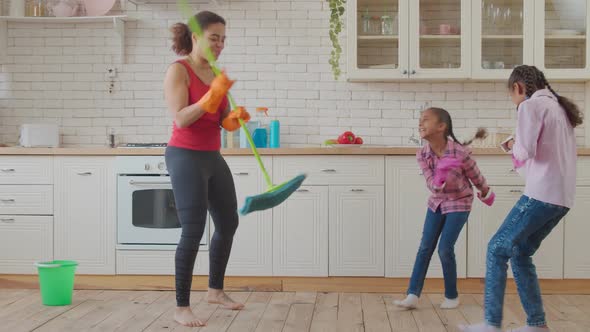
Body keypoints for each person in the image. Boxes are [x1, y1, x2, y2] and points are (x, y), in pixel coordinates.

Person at [460, 65, 583, 332]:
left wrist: (512, 146)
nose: (513, 99)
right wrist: (516, 147)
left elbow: (525, 150)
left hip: (541, 194)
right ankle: (536, 325)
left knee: (496, 249)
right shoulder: (559, 108)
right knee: (520, 253)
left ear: (518, 87)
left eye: (511, 94)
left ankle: (491, 323)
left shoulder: (529, 107)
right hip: (561, 198)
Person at [163, 10, 250, 327]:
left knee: (228, 223)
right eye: (214, 37)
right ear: (196, 37)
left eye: (224, 39)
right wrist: (212, 95)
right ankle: (181, 306)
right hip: (184, 155)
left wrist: (236, 117)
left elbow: (223, 123)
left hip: (212, 156)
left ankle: (215, 291)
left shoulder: (216, 72)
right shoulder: (178, 71)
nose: (220, 44)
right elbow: (182, 118)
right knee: (193, 229)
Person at [394, 107, 494, 310]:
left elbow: (475, 175)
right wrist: (438, 182)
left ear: (441, 127)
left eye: (426, 120)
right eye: (420, 120)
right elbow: (430, 181)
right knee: (425, 247)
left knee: (445, 248)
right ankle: (413, 294)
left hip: (459, 202)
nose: (420, 123)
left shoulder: (459, 152)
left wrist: (485, 191)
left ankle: (451, 296)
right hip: (437, 202)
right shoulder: (422, 154)